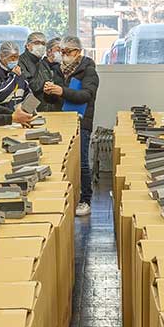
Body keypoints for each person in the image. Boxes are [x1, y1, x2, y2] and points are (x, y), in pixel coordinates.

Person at [42, 36, 100, 217]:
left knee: (81, 161)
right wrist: (50, 92)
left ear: (78, 52)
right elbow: (56, 98)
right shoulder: (58, 71)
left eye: (68, 52)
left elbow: (86, 95)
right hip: (61, 120)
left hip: (81, 121)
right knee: (63, 160)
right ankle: (65, 195)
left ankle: (85, 199)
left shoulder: (88, 71)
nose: (64, 55)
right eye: (62, 51)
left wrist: (62, 91)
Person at [0, 40, 31, 107]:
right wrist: (13, 76)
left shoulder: (19, 71)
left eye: (16, 57)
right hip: (1, 116)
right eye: (12, 57)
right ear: (2, 56)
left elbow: (28, 95)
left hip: (19, 115)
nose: (14, 60)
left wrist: (29, 111)